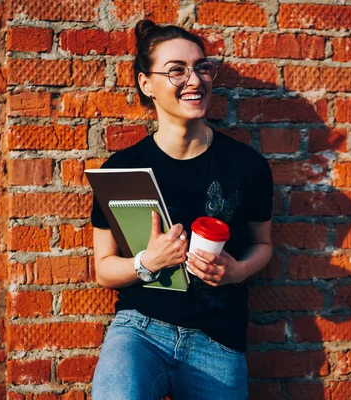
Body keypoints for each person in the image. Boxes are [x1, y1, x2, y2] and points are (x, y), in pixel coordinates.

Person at [90, 19, 273, 400]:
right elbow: (104, 269)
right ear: (146, 84)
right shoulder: (121, 170)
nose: (195, 80)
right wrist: (147, 262)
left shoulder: (248, 166)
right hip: (140, 332)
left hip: (218, 340)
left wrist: (237, 271)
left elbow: (264, 246)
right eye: (177, 70)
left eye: (202, 67)